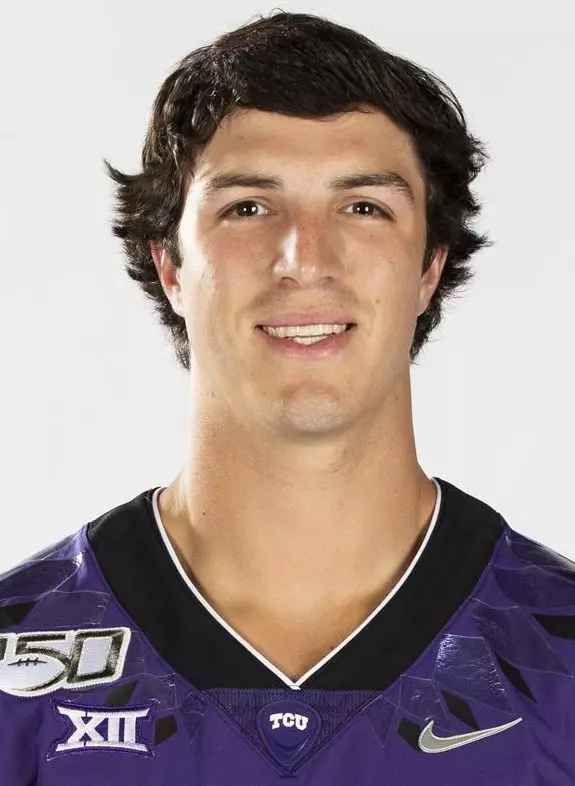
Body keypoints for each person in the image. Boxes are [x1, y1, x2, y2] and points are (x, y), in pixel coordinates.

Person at [1, 10, 574, 784]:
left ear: (428, 268)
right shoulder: (16, 667)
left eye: (363, 206)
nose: (305, 258)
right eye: (247, 207)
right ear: (170, 264)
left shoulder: (557, 656)